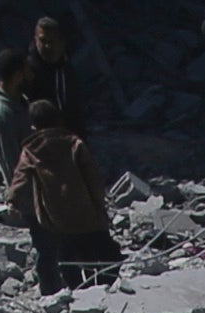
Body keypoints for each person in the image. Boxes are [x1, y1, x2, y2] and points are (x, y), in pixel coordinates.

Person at [9, 109, 121, 290]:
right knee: (96, 255)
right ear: (58, 121)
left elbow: (20, 179)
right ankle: (102, 288)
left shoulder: (30, 151)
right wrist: (99, 205)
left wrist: (13, 200)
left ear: (33, 127)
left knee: (67, 259)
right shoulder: (74, 144)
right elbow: (93, 178)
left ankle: (79, 294)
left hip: (56, 216)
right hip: (84, 210)